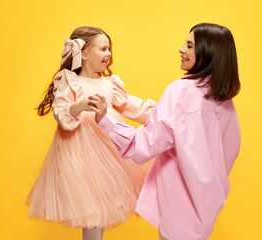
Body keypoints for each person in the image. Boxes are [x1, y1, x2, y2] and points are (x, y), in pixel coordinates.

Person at [89, 23, 241, 240]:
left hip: (180, 206)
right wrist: (124, 102)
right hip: (208, 206)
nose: (181, 49)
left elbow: (143, 145)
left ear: (207, 53)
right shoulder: (225, 100)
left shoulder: (180, 91)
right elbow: (176, 124)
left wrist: (105, 121)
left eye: (189, 45)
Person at [25, 26, 156, 240]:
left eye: (109, 49)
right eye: (103, 49)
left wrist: (166, 112)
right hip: (79, 155)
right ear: (84, 54)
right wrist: (80, 105)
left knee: (101, 210)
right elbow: (61, 113)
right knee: (92, 210)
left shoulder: (109, 83)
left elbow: (134, 107)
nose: (109, 54)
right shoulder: (69, 80)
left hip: (108, 154)